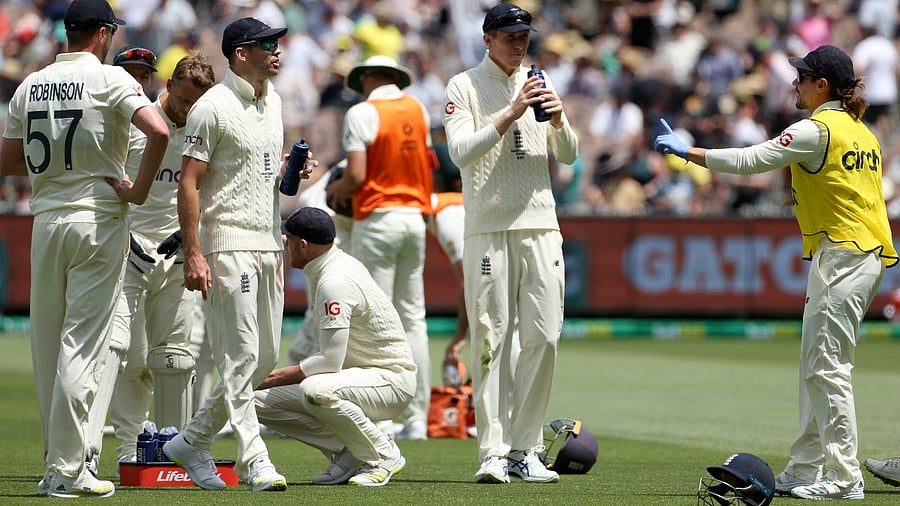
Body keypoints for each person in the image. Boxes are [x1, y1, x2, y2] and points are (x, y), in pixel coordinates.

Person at [654, 44, 898, 501]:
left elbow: (751, 160)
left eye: (802, 77)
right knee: (815, 366)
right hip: (858, 254)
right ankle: (806, 467)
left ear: (821, 86)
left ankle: (845, 477)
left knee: (827, 368)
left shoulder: (817, 130)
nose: (794, 84)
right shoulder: (862, 132)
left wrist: (690, 152)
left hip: (844, 254)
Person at [0, 0, 170, 497]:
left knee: (48, 348)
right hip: (97, 220)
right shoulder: (112, 80)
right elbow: (158, 130)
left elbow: (9, 161)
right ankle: (69, 471)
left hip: (46, 220)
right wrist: (137, 190)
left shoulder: (31, 84)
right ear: (101, 34)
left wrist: (56, 171)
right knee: (82, 347)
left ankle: (57, 465)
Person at [440, 2, 578, 484]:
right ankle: (493, 451)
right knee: (490, 340)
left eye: (525, 38)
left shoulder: (539, 80)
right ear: (488, 39)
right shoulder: (463, 84)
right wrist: (510, 112)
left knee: (544, 335)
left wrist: (559, 121)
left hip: (541, 225)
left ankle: (526, 448)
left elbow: (570, 155)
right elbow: (459, 152)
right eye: (510, 37)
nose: (519, 46)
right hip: (489, 227)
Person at [162, 17, 300, 492]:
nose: (277, 51)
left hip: (268, 245)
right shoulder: (211, 107)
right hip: (228, 245)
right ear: (241, 53)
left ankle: (191, 440)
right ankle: (254, 459)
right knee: (240, 356)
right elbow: (190, 181)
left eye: (278, 43)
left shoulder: (274, 100)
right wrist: (195, 254)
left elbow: (254, 169)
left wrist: (288, 174)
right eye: (268, 44)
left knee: (262, 359)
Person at [100, 52, 216, 467]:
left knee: (176, 359)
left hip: (178, 254)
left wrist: (192, 243)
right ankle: (128, 452)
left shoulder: (206, 124)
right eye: (182, 100)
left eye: (195, 104)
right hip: (129, 253)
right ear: (167, 87)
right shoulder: (139, 122)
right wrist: (123, 233)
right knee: (130, 360)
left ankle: (173, 455)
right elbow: (107, 182)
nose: (187, 111)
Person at [254, 206, 416, 487]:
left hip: (390, 382)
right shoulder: (328, 261)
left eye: (289, 240)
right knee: (256, 402)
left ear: (303, 245)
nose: (285, 245)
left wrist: (269, 378)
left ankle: (383, 454)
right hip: (359, 379)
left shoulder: (334, 281)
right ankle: (353, 451)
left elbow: (329, 362)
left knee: (315, 390)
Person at [326, 54, 433, 441]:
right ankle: (418, 417)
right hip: (414, 220)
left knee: (378, 323)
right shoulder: (418, 108)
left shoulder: (362, 112)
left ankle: (384, 418)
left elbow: (355, 175)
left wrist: (335, 190)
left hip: (378, 218)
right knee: (413, 320)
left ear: (369, 78)